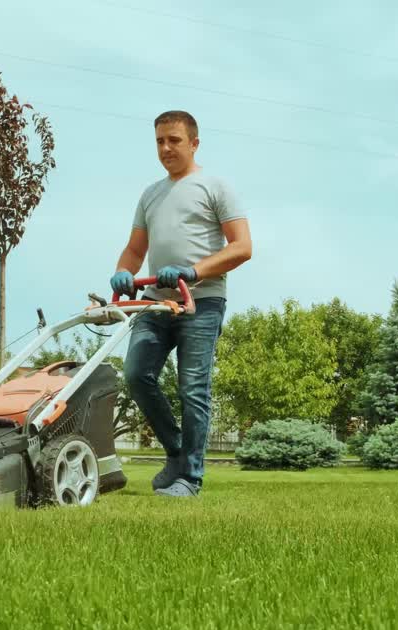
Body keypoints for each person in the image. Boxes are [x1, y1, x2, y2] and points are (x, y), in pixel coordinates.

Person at [110, 110, 252, 497]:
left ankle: (190, 477)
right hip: (156, 303)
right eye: (159, 141)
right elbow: (135, 249)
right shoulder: (150, 194)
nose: (166, 148)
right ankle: (176, 452)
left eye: (174, 140)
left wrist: (193, 271)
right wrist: (123, 271)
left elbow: (242, 247)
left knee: (193, 389)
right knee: (136, 375)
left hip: (201, 302)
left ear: (194, 143)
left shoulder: (215, 186)